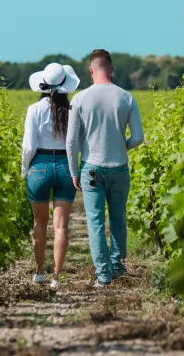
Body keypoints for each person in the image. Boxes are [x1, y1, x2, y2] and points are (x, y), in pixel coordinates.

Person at [66, 49, 144, 287]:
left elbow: (71, 141)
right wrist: (121, 147)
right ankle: (118, 266)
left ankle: (103, 275)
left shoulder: (79, 99)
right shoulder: (127, 97)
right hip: (119, 167)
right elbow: (138, 137)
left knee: (96, 221)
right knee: (119, 219)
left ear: (91, 70)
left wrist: (73, 172)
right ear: (112, 69)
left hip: (91, 168)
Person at [22, 62, 81, 290]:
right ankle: (56, 277)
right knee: (61, 227)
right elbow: (76, 142)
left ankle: (39, 272)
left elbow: (29, 146)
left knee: (39, 223)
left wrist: (24, 169)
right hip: (66, 166)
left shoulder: (34, 110)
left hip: (40, 166)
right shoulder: (72, 110)